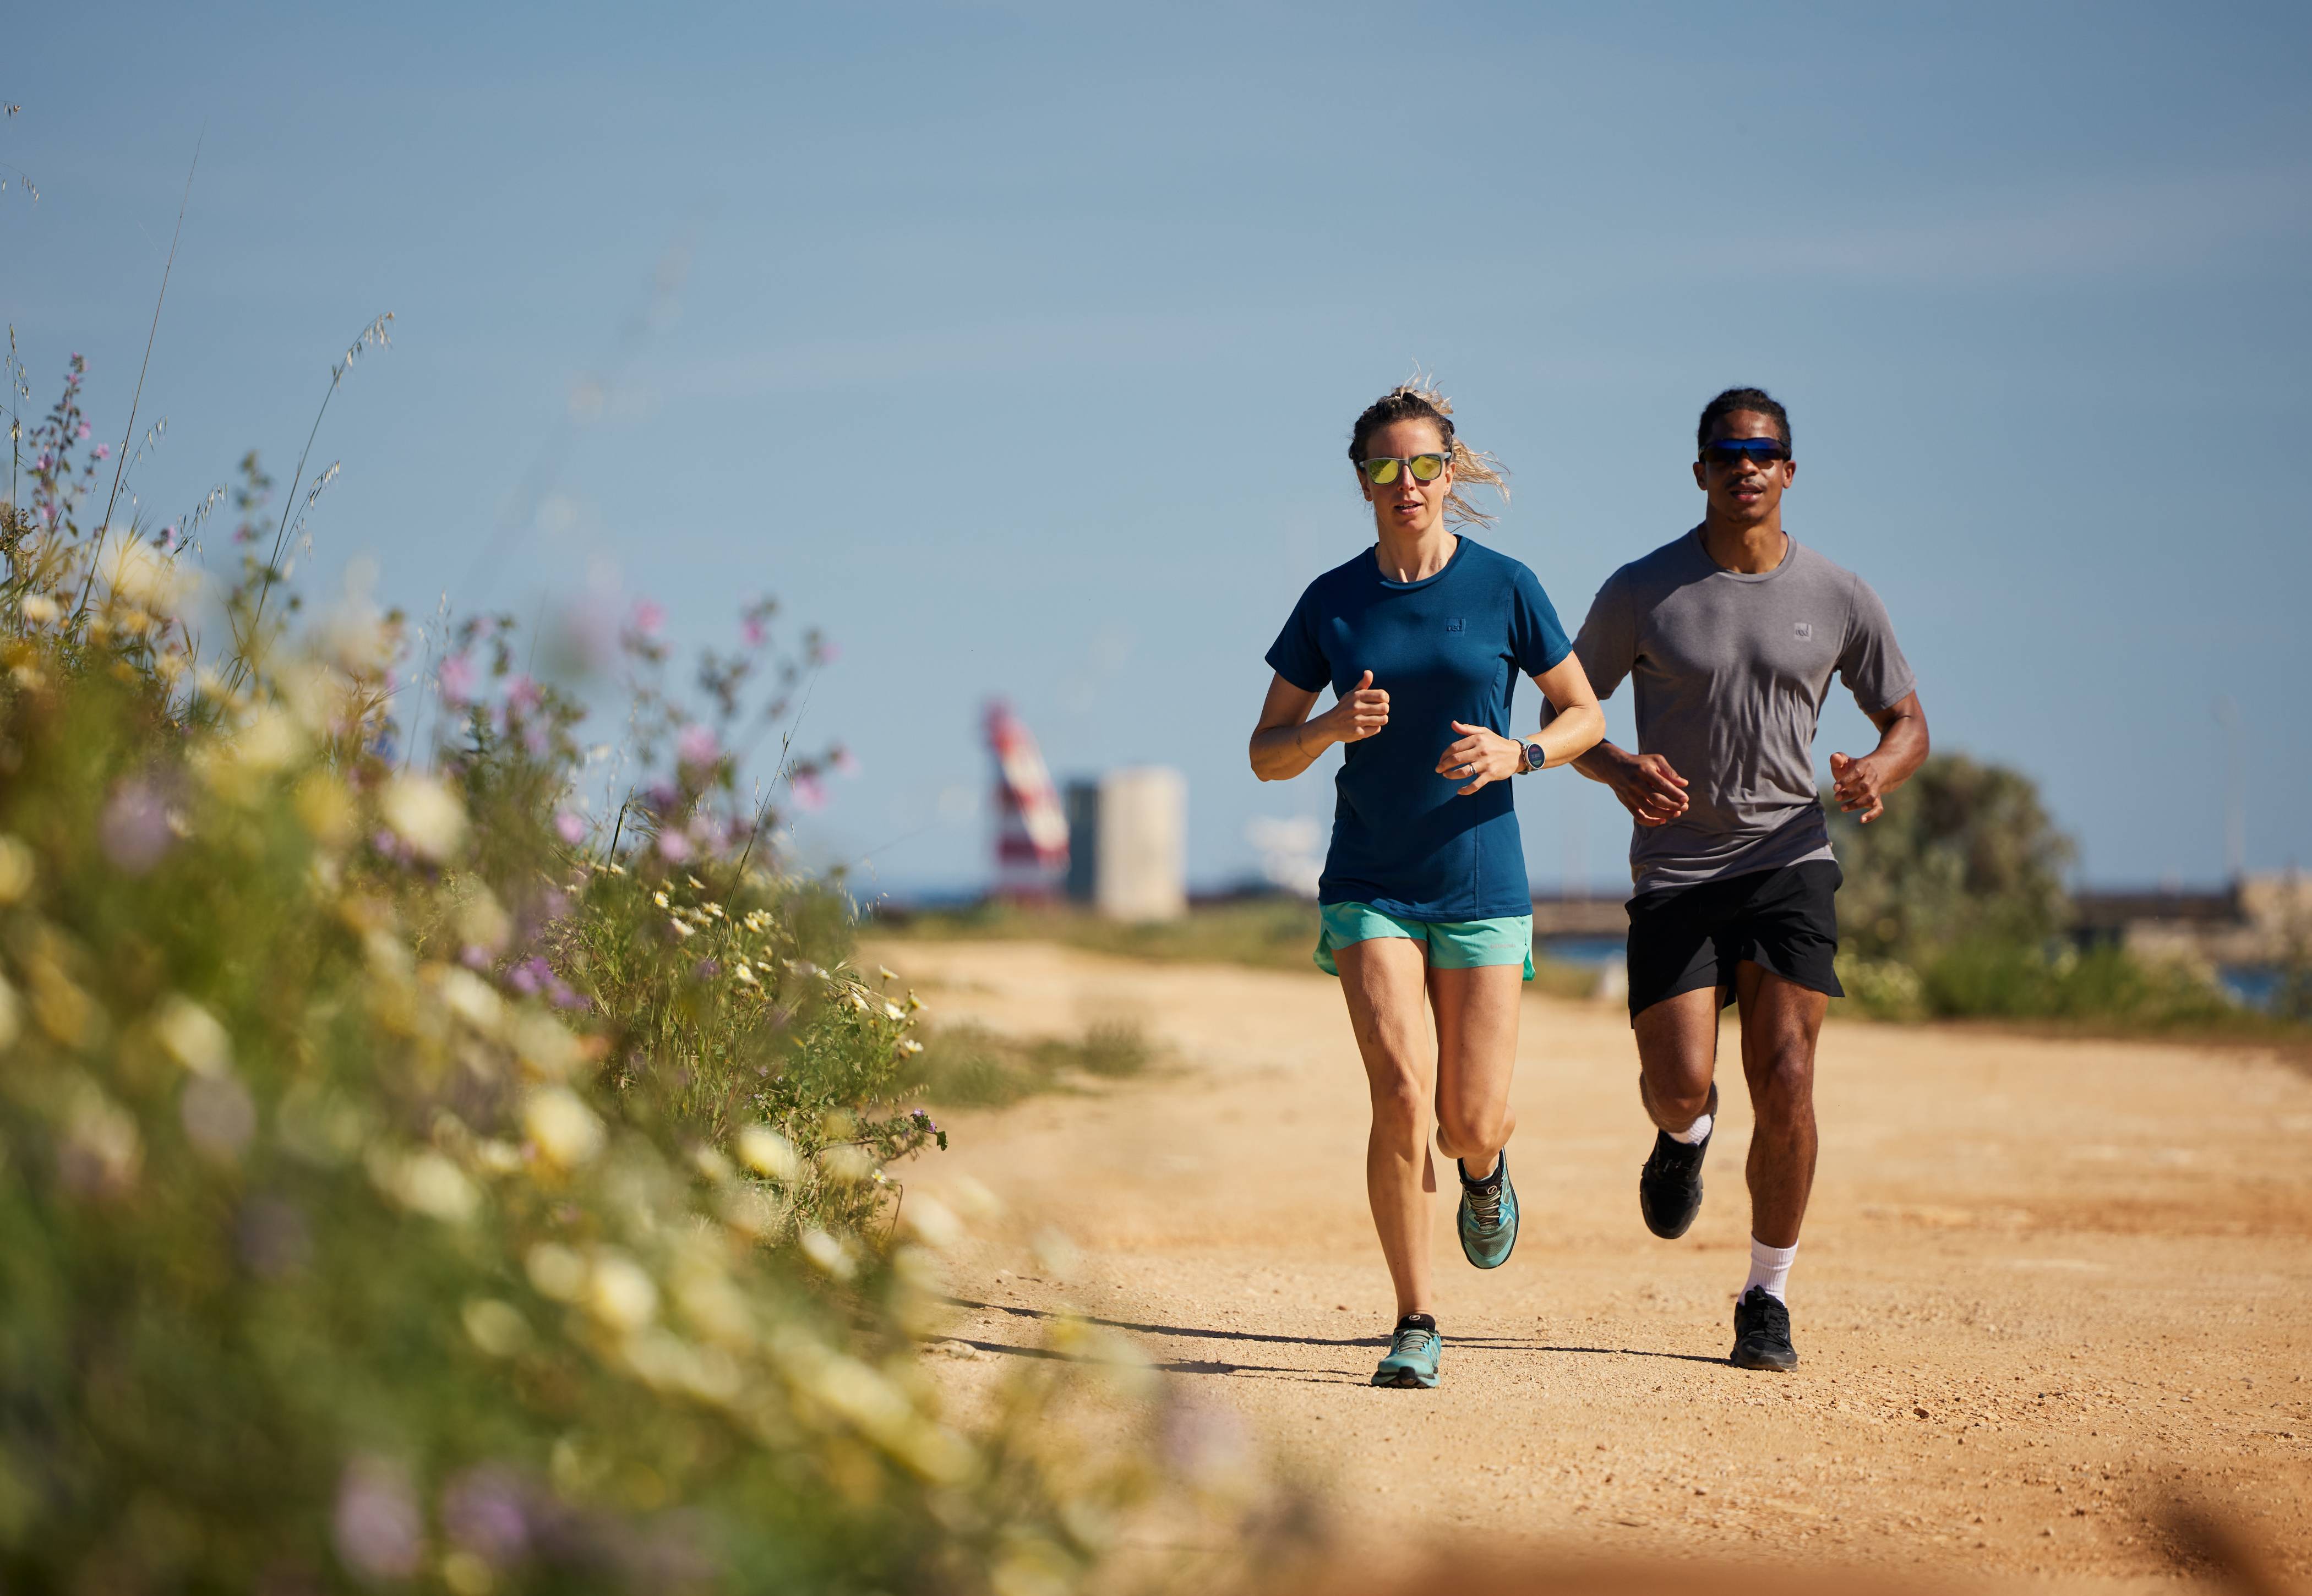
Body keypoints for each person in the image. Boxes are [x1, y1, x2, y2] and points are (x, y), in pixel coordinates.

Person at [1552, 387, 1929, 1371]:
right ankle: (1686, 1138)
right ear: (1701, 471)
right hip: (1677, 870)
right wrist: (1620, 768)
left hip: (1788, 859)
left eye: (1763, 453)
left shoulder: (1840, 595)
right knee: (1679, 1086)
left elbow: (1908, 722)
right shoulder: (1644, 591)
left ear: (1790, 471)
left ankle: (1767, 1297)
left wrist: (1874, 773)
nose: (1745, 467)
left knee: (1791, 1076)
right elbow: (1573, 714)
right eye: (1727, 453)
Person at [1250, 381, 1604, 1390]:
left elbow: (1586, 716)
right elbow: (1264, 753)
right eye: (1383, 468)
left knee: (1467, 1121)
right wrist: (1326, 730)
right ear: (1361, 482)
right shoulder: (1333, 601)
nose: (1404, 484)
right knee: (1401, 1095)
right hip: (1370, 881)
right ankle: (1415, 1316)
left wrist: (1519, 753)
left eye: (1422, 466)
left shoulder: (1506, 587)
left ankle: (1485, 1175)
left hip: (1484, 880)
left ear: (1450, 475)